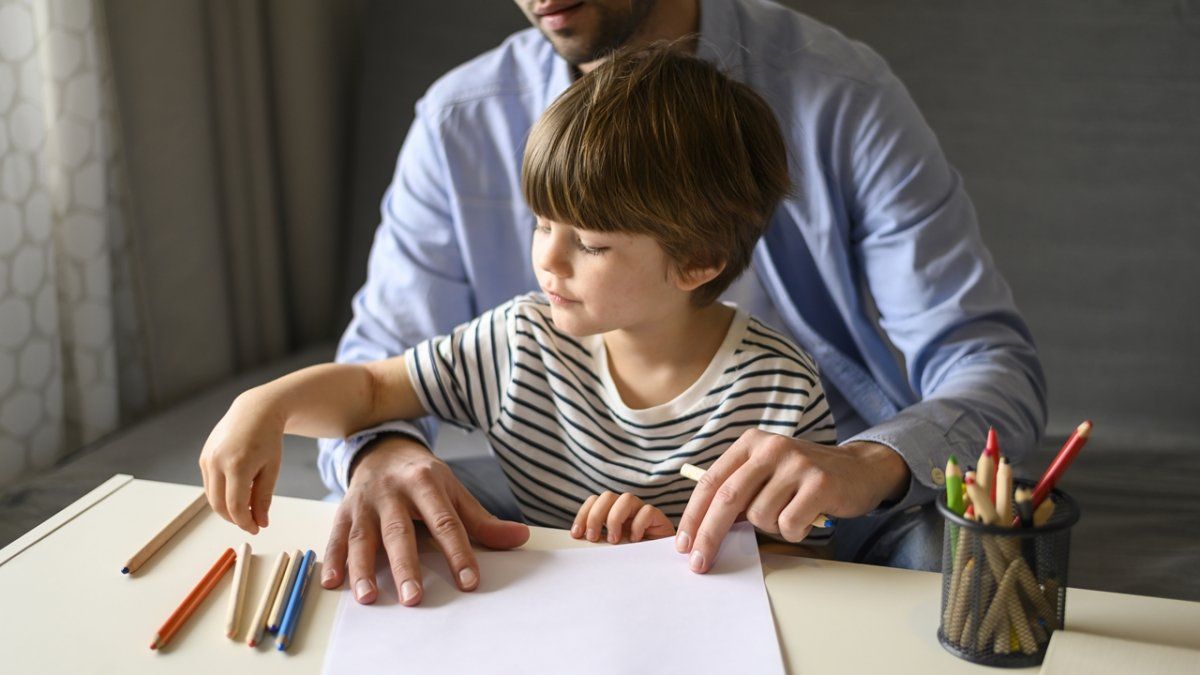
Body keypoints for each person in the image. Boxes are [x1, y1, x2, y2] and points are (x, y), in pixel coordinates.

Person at [314, 0, 1045, 604]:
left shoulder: (840, 94)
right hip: (571, 489)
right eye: (543, 223)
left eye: (591, 241)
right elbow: (380, 360)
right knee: (413, 516)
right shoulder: (459, 121)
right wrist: (382, 448)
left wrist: (866, 463)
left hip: (818, 501)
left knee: (957, 564)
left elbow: (988, 365)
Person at [200, 47, 838, 607]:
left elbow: (810, 569)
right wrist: (268, 405)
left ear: (697, 262)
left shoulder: (777, 389)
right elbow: (370, 392)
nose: (547, 261)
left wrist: (667, 553)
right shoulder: (520, 341)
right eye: (541, 223)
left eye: (589, 244)